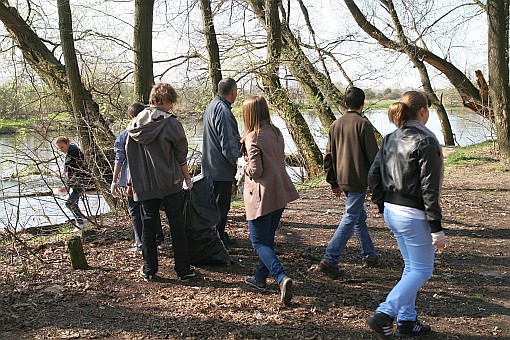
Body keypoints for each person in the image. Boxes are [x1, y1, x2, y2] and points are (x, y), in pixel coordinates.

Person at [366, 91, 447, 338]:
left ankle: (407, 321)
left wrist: (382, 206)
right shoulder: (426, 141)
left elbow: (373, 176)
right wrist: (436, 226)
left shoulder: (391, 137)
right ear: (422, 111)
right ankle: (384, 313)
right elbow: (429, 188)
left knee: (412, 267)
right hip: (412, 215)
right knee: (422, 271)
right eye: (428, 109)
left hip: (393, 210)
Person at [126, 83, 198, 282]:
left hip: (145, 184)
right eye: (171, 102)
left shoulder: (134, 124)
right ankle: (183, 270)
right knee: (177, 224)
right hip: (170, 181)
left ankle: (149, 269)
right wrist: (187, 178)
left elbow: (131, 157)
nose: (172, 107)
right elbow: (180, 155)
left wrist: (132, 183)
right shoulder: (171, 123)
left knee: (148, 226)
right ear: (165, 100)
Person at [240, 96, 299, 306]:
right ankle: (259, 278)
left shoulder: (252, 137)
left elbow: (256, 171)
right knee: (268, 239)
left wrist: (242, 165)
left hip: (262, 196)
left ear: (249, 114)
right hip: (279, 192)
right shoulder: (275, 132)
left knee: (258, 242)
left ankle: (281, 277)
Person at [319, 86, 379, 279]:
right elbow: (374, 158)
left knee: (358, 216)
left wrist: (333, 182)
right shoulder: (364, 125)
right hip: (357, 180)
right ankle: (330, 258)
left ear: (345, 104)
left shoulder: (335, 125)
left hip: (342, 179)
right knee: (350, 217)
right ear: (363, 104)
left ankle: (369, 255)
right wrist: (377, 182)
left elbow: (327, 156)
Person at [111, 102, 165, 252]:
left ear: (130, 116)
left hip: (132, 180)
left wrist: (114, 181)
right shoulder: (154, 130)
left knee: (135, 210)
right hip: (152, 177)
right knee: (151, 208)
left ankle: (140, 243)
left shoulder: (124, 134)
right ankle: (159, 238)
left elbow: (119, 159)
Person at [201, 78, 241, 249]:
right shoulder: (223, 110)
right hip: (220, 169)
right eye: (236, 91)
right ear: (232, 91)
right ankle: (216, 241)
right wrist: (239, 163)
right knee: (220, 208)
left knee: (216, 208)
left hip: (210, 166)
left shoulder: (211, 106)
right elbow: (229, 144)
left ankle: (219, 235)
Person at [55, 136, 92, 232]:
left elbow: (74, 171)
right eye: (59, 148)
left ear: (67, 144)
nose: (61, 150)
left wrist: (66, 186)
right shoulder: (71, 152)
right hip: (77, 182)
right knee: (72, 203)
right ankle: (80, 223)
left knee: (69, 203)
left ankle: (80, 223)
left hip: (80, 182)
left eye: (62, 147)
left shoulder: (74, 152)